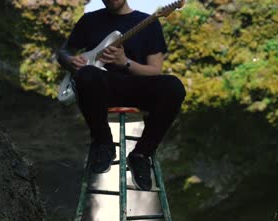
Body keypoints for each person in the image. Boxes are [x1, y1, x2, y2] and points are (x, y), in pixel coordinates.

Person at [57, 0, 186, 191]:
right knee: (86, 74)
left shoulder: (148, 22)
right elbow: (63, 52)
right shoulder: (90, 20)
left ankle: (141, 154)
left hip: (137, 88)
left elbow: (155, 70)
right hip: (100, 89)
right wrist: (69, 60)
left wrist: (124, 62)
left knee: (174, 86)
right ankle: (103, 144)